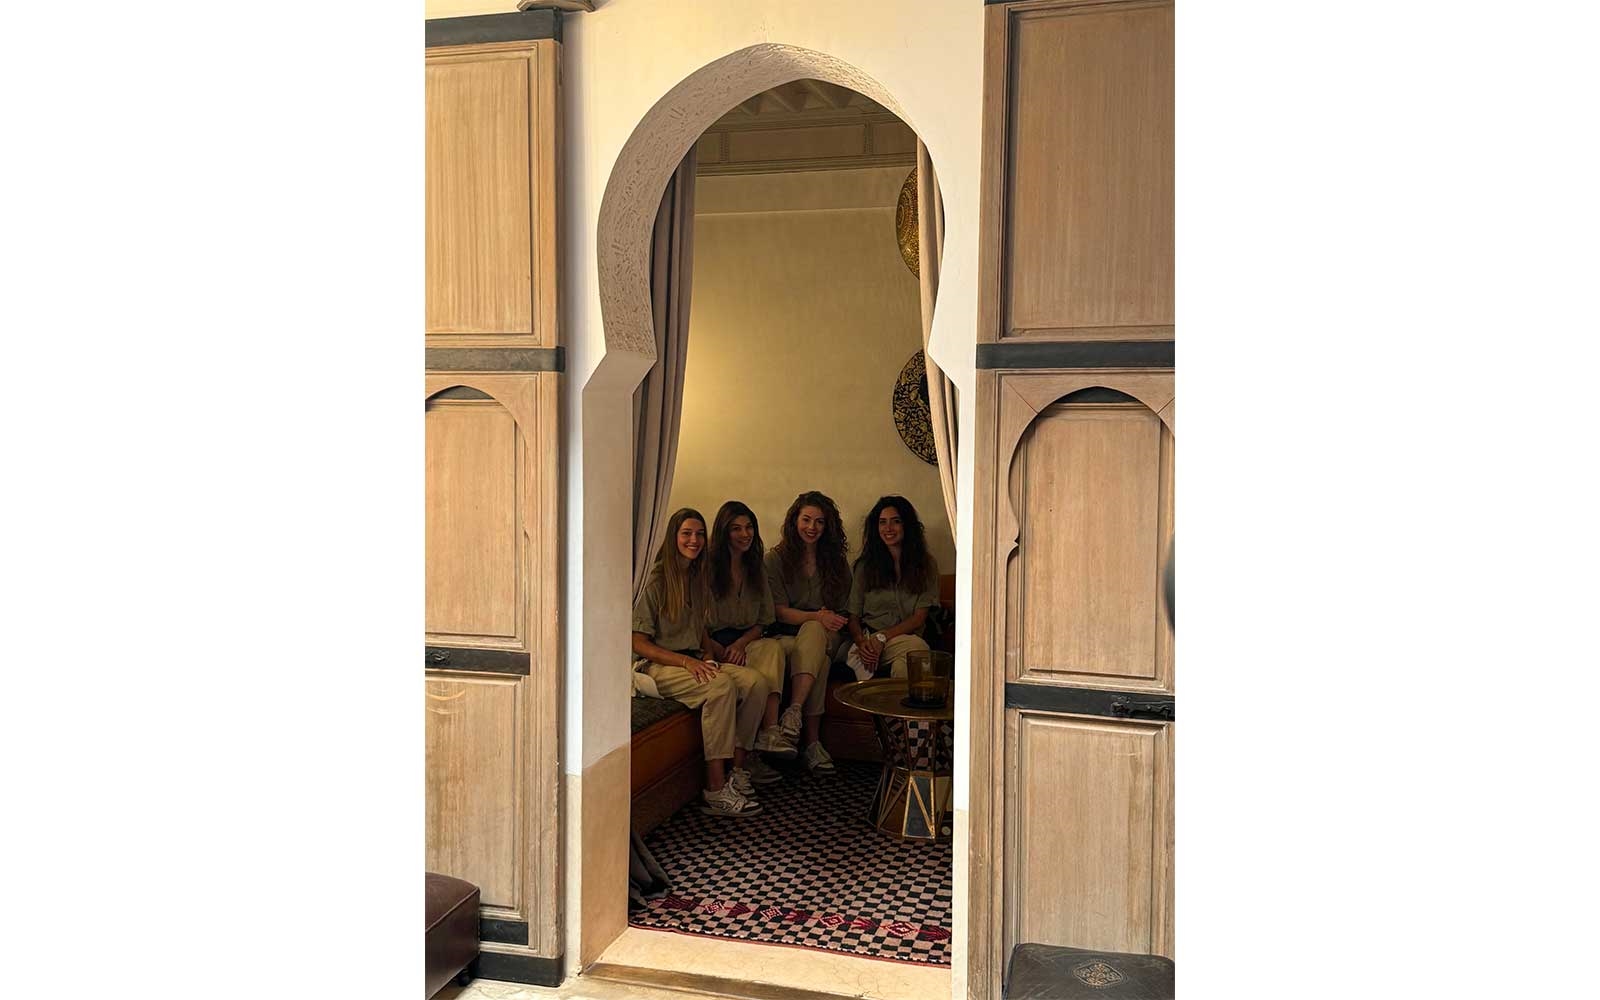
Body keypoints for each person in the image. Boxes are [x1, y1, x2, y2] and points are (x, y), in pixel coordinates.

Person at [631, 507, 770, 817]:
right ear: (673, 537)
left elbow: (700, 630)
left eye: (699, 534)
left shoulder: (696, 577)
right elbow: (638, 643)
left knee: (755, 682)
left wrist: (708, 655)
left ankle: (737, 770)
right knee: (720, 687)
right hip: (655, 666)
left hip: (692, 658)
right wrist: (687, 663)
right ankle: (715, 790)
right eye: (686, 534)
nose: (693, 540)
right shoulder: (655, 581)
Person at [702, 501, 792, 785]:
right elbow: (695, 623)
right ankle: (744, 760)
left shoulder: (756, 567)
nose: (745, 534)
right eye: (736, 529)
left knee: (773, 648)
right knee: (755, 682)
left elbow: (764, 620)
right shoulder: (707, 568)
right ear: (724, 532)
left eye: (749, 527)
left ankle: (769, 732)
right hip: (713, 644)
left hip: (746, 639)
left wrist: (741, 643)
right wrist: (719, 650)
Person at [763, 491, 852, 774]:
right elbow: (778, 611)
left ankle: (793, 711)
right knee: (820, 660)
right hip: (786, 635)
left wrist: (823, 620)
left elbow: (843, 611)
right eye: (806, 520)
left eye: (819, 522)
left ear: (828, 526)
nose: (812, 527)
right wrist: (816, 616)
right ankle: (812, 742)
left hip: (828, 634)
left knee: (815, 631)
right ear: (795, 521)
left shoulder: (837, 562)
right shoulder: (775, 559)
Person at [845, 495, 939, 680]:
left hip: (905, 637)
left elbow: (919, 618)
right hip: (870, 639)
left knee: (911, 655)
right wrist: (862, 642)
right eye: (882, 522)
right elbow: (853, 616)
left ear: (907, 525)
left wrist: (883, 637)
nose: (888, 528)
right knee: (917, 651)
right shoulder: (865, 566)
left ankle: (891, 700)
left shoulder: (926, 565)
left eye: (895, 521)